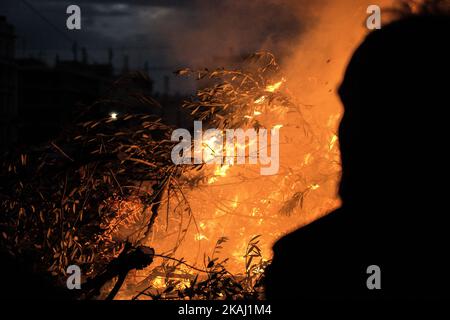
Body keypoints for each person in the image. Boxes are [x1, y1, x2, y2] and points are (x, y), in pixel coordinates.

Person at [265, 13, 450, 299]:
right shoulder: (308, 258)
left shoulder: (312, 265)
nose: (346, 128)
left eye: (370, 110)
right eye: (348, 108)